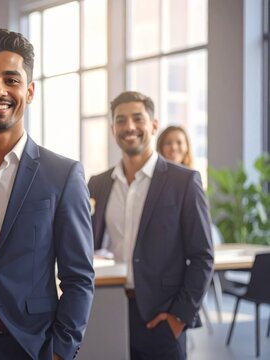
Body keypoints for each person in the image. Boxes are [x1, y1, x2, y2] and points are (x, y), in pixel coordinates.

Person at [0, 28, 95, 360]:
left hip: (32, 347)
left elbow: (79, 278)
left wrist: (61, 350)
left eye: (11, 80)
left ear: (30, 91)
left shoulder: (62, 175)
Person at [88, 91, 214, 359]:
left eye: (137, 118)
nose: (129, 127)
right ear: (113, 129)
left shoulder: (184, 182)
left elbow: (202, 256)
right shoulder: (98, 183)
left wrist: (179, 317)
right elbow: (87, 244)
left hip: (161, 316)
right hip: (107, 309)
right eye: (121, 120)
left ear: (153, 125)